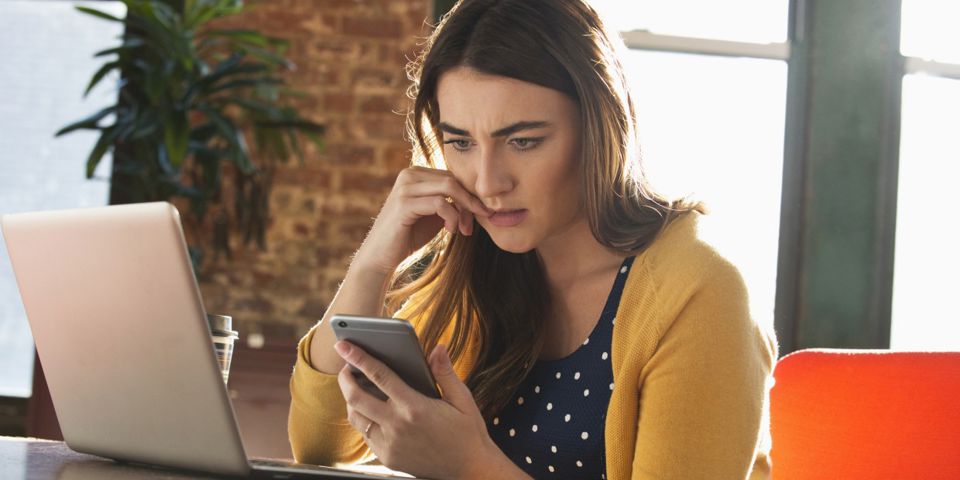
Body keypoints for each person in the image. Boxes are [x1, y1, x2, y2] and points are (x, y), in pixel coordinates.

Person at [288, 0, 778, 478]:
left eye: (522, 142)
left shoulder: (702, 289)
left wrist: (469, 467)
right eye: (460, 142)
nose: (487, 181)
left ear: (600, 128)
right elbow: (320, 446)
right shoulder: (482, 263)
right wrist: (373, 263)